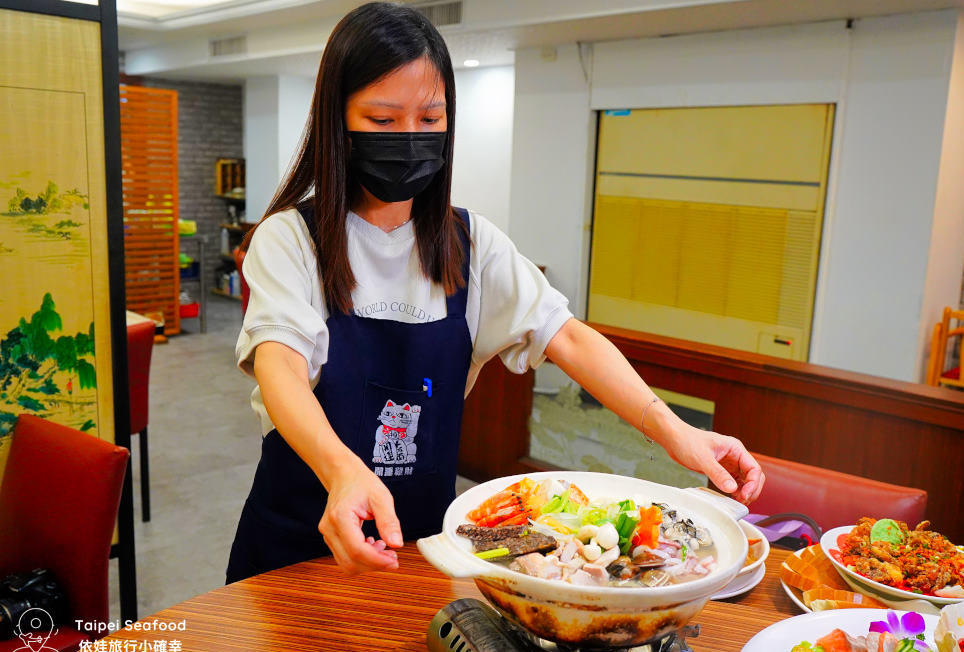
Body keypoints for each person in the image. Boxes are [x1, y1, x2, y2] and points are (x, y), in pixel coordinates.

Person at [225, 2, 764, 584]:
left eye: (430, 119)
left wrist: (677, 433)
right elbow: (279, 364)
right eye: (383, 121)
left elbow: (571, 339)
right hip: (296, 545)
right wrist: (342, 472)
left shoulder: (470, 244)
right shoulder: (289, 239)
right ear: (338, 121)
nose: (409, 138)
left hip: (423, 548)